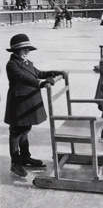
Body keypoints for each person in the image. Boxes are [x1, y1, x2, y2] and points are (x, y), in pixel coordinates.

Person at [4, 34, 67, 177]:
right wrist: (40, 83)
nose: (27, 52)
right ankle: (16, 163)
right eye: (24, 49)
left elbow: (38, 73)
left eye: (28, 49)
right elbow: (23, 78)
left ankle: (25, 157)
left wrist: (54, 73)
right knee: (16, 133)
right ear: (15, 50)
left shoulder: (28, 63)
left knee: (25, 130)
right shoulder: (12, 65)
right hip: (19, 104)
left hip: (29, 102)